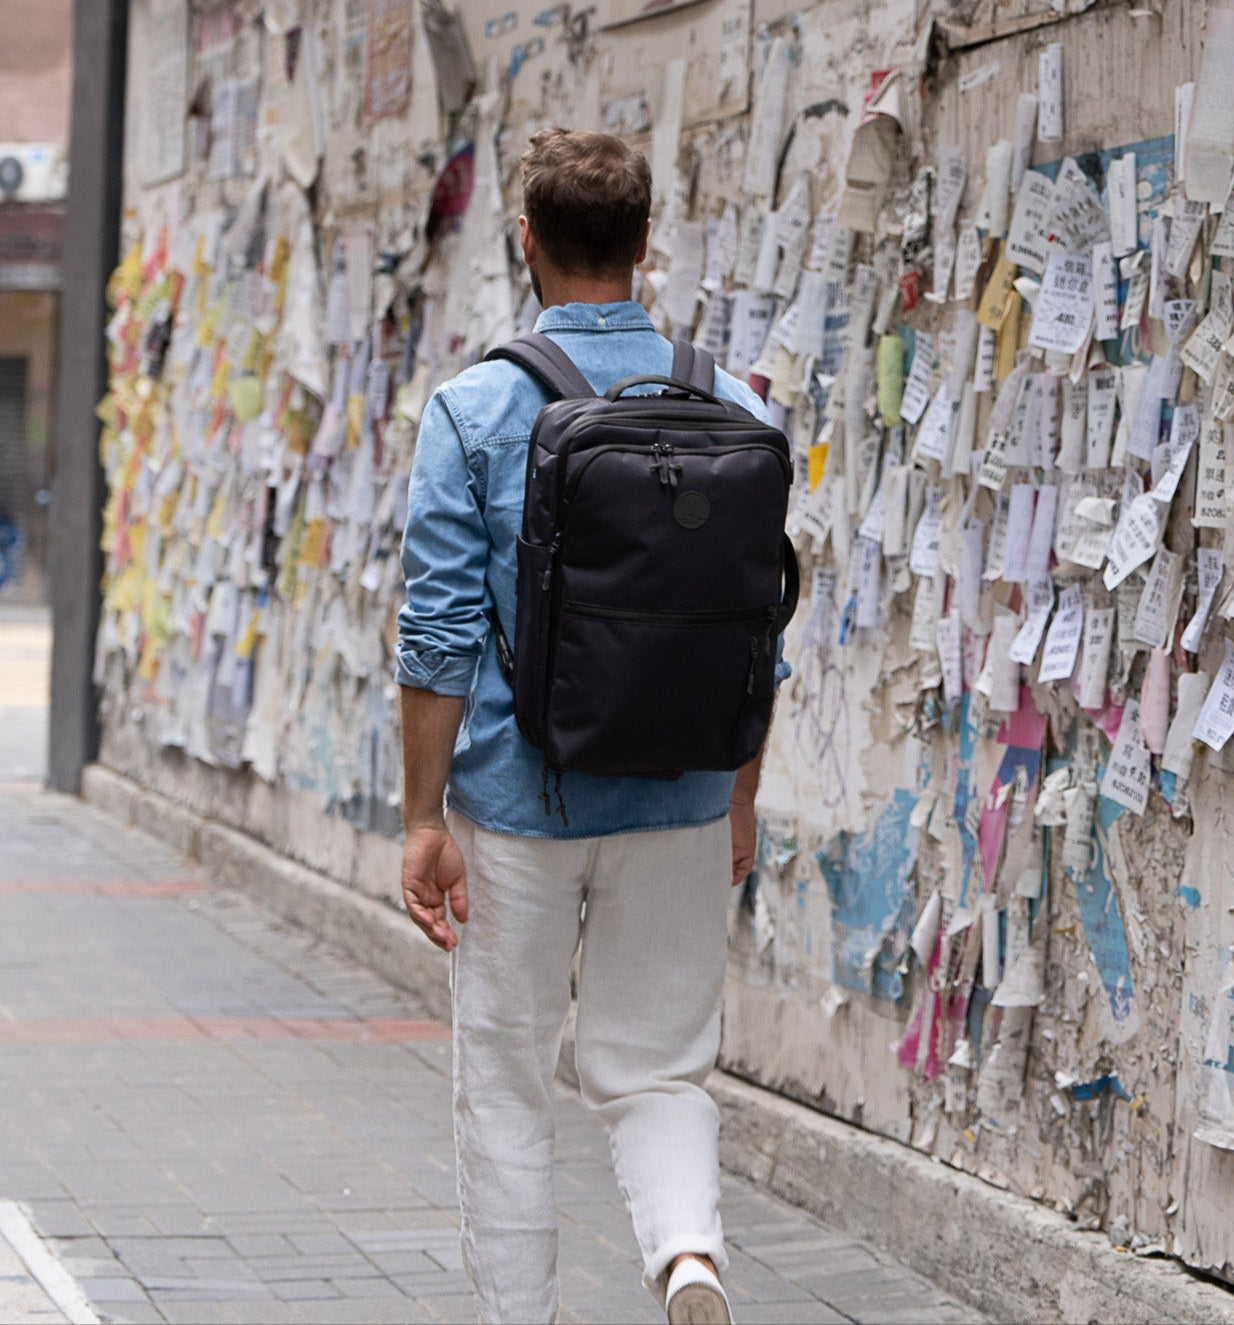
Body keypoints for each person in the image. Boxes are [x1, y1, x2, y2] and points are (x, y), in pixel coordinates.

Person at [395, 127, 779, 1325]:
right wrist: (738, 794)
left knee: (507, 1078)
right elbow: (756, 628)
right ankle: (687, 1256)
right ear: (644, 241)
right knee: (658, 1065)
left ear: (527, 242)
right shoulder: (735, 403)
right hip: (681, 789)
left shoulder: (474, 407)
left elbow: (437, 635)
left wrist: (421, 815)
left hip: (520, 801)